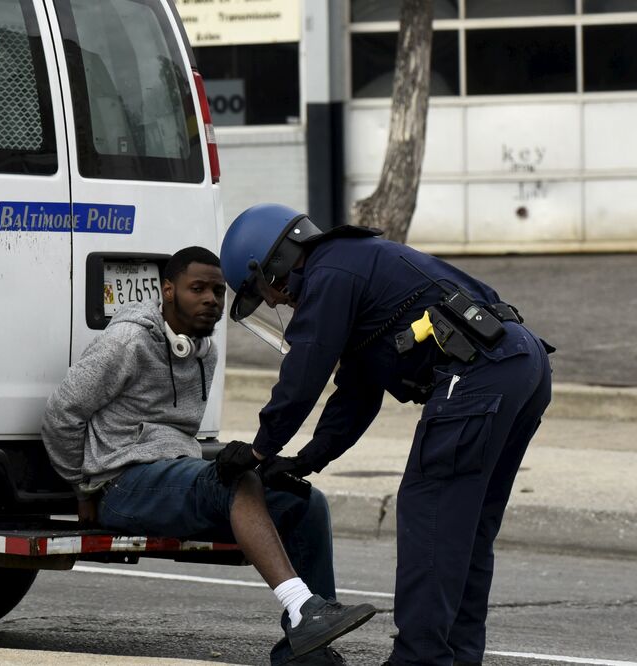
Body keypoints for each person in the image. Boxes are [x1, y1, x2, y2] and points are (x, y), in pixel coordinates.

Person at [219, 204, 554, 666]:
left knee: (430, 519)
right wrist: (307, 458)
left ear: (272, 264)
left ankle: (419, 660)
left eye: (264, 293)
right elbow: (357, 393)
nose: (274, 303)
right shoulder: (355, 264)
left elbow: (304, 372)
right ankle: (456, 658)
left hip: (477, 375)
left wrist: (260, 446)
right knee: (466, 532)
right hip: (519, 364)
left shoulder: (329, 273)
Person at [41, 246, 375, 665]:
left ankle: (305, 653)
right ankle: (304, 607)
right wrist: (82, 487)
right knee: (236, 477)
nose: (210, 300)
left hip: (176, 475)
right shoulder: (127, 341)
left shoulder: (205, 352)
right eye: (196, 288)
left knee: (305, 503)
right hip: (123, 483)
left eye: (218, 291)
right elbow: (61, 414)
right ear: (167, 291)